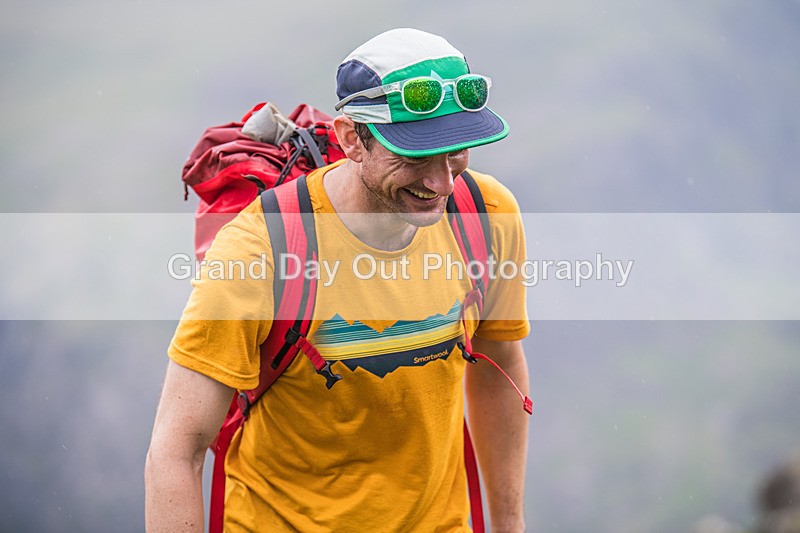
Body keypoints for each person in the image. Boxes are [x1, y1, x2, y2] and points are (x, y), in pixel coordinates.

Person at [145, 28, 531, 532]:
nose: (442, 183)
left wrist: (509, 525)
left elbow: (498, 362)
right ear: (352, 138)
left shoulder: (484, 213)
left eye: (456, 152)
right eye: (415, 156)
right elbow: (175, 452)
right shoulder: (261, 250)